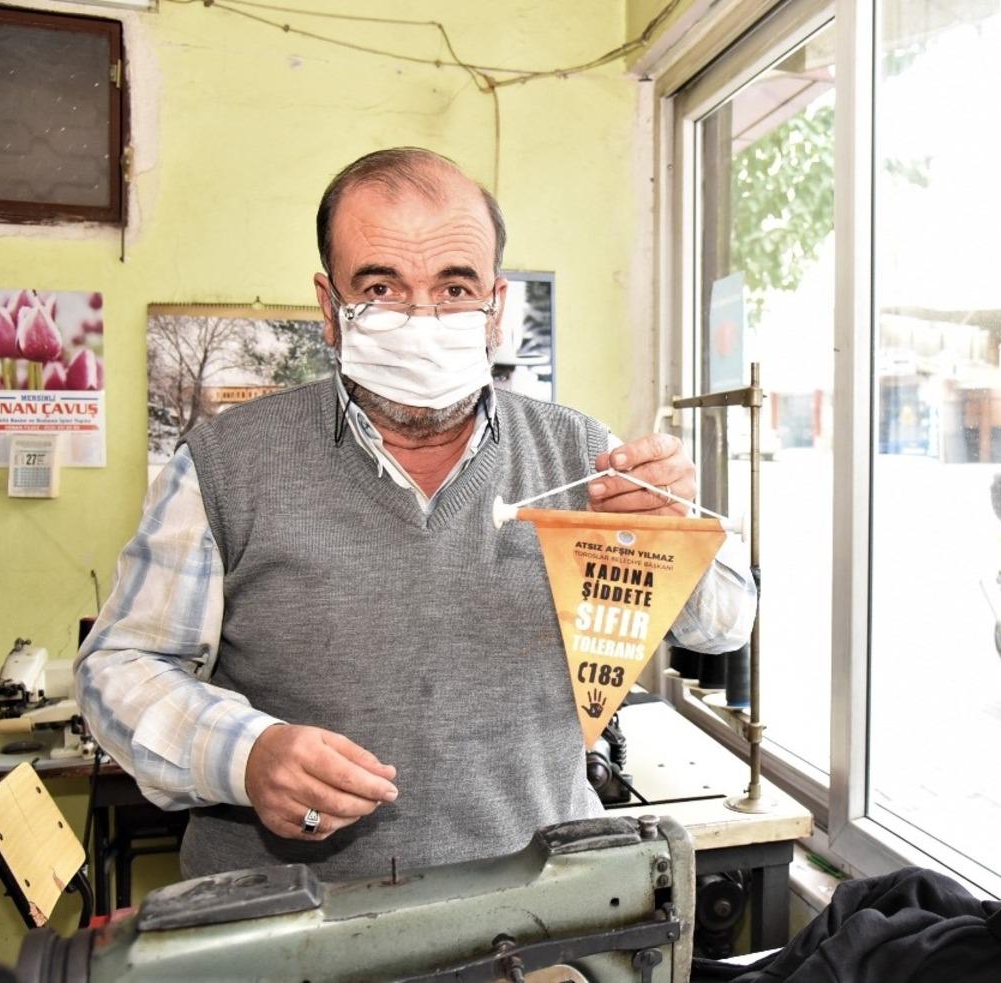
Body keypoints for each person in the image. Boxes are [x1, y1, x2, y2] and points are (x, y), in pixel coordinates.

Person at [75, 147, 756, 881]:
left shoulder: (583, 457)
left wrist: (678, 529)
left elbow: (722, 626)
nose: (422, 319)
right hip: (288, 921)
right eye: (381, 287)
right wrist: (244, 754)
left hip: (537, 912)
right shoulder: (224, 465)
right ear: (330, 308)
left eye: (455, 288)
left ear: (495, 308)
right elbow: (120, 667)